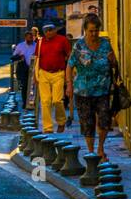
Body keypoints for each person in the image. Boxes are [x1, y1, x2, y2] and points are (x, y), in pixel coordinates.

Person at [66, 14, 119, 159]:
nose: (94, 33)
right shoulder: (79, 46)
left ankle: (100, 149)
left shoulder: (106, 44)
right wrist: (69, 85)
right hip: (83, 91)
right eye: (91, 31)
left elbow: (114, 65)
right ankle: (91, 153)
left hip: (102, 90)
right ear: (85, 30)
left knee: (104, 120)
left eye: (96, 30)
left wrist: (113, 61)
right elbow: (70, 66)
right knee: (87, 123)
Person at [34, 19, 72, 133]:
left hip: (59, 73)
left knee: (57, 100)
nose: (48, 32)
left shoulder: (63, 40)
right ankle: (47, 127)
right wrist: (35, 76)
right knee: (45, 101)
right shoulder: (40, 42)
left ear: (55, 30)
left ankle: (61, 121)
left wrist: (69, 74)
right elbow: (36, 59)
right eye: (46, 30)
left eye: (50, 30)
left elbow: (70, 56)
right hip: (43, 73)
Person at [12, 28, 39, 106]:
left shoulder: (36, 46)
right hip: (24, 69)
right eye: (28, 37)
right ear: (25, 38)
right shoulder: (20, 45)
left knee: (34, 86)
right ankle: (25, 103)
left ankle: (33, 102)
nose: (30, 39)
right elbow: (14, 56)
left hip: (34, 68)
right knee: (25, 86)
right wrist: (20, 57)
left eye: (31, 37)